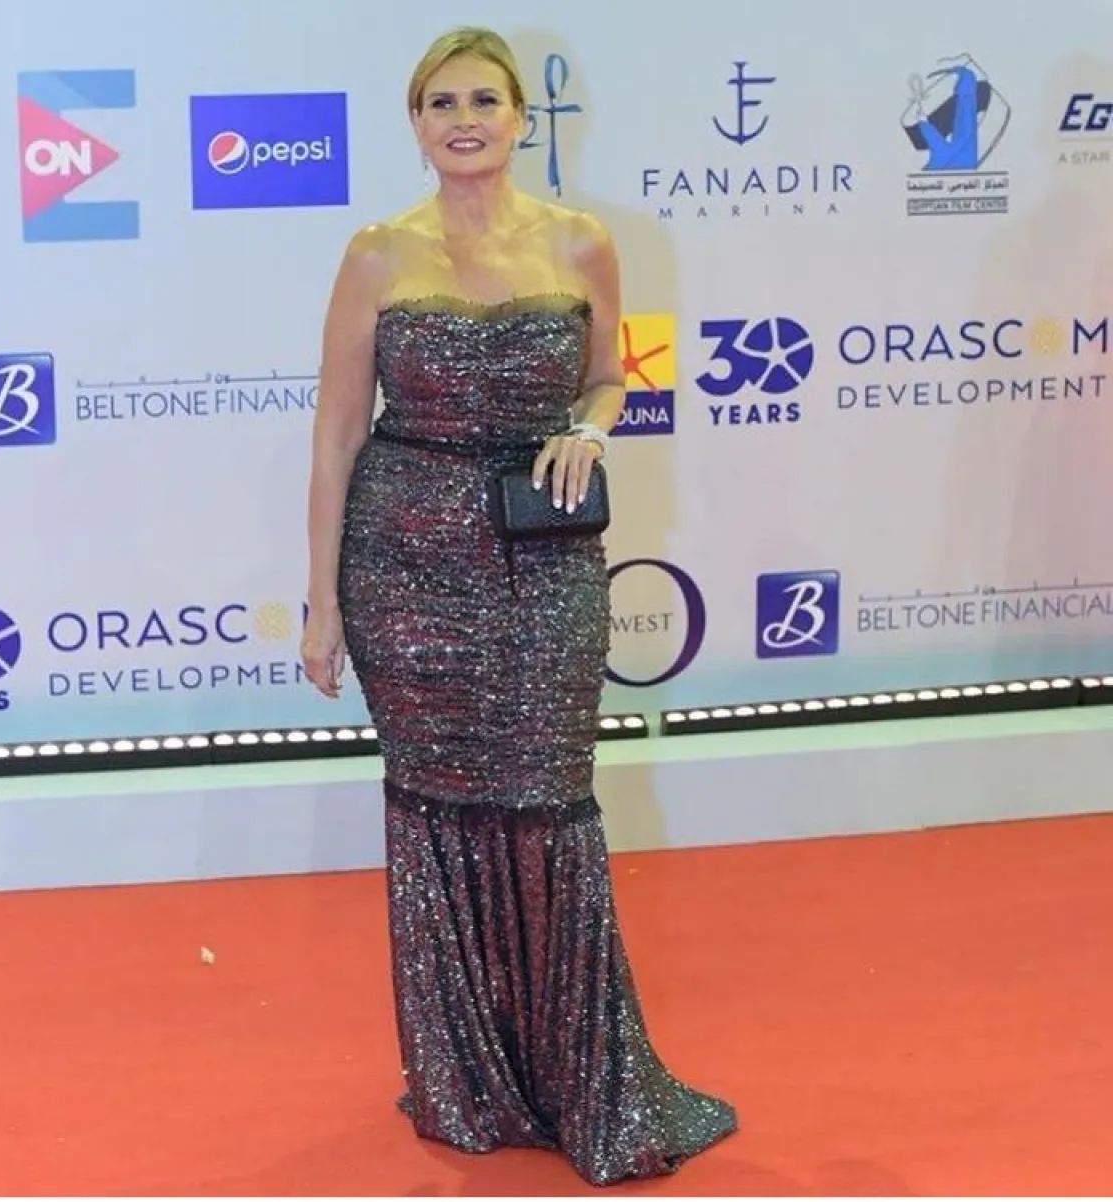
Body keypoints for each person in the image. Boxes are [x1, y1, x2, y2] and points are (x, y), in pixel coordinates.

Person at [300, 26, 736, 1186]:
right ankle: (469, 1075)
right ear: (416, 123)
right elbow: (337, 433)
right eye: (440, 103)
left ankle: (582, 1075)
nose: (464, 120)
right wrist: (322, 603)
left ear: (522, 117)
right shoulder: (376, 255)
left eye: (483, 100)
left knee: (549, 800)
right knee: (436, 809)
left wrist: (590, 425)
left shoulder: (582, 242)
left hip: (544, 564)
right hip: (405, 566)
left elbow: (610, 372)